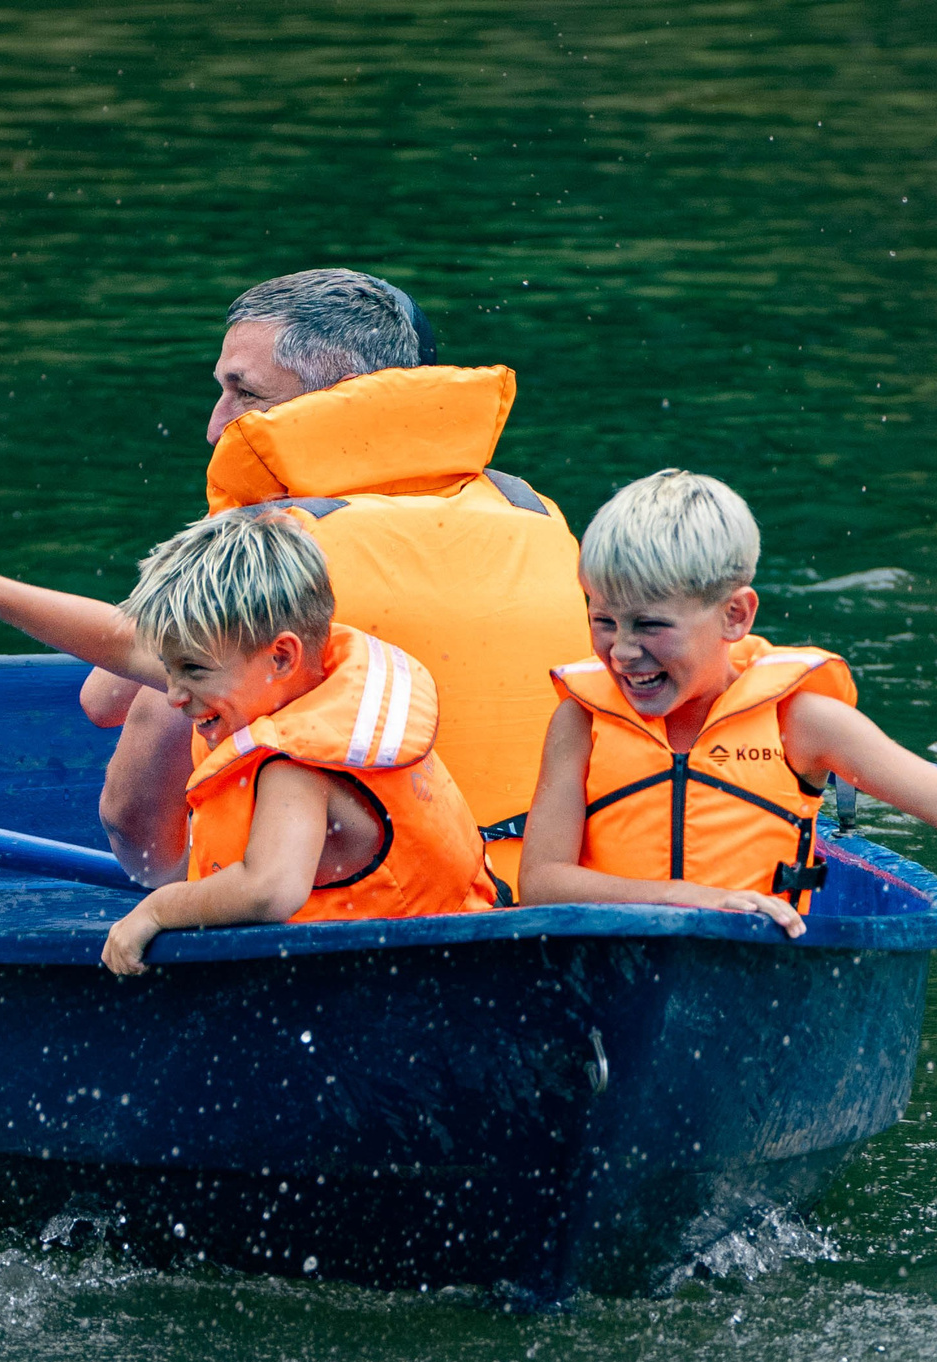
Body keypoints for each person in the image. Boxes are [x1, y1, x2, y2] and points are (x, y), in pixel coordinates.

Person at [517, 469, 937, 976]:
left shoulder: (800, 720)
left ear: (735, 615)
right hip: (603, 977)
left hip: (752, 982)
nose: (622, 650)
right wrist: (697, 902)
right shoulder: (582, 722)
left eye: (650, 626)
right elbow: (541, 882)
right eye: (602, 620)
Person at [85, 268, 590, 897]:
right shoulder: (532, 510)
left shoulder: (272, 532)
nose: (217, 426)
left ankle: (173, 889)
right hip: (539, 881)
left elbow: (99, 701)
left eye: (244, 393)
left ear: (337, 397)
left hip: (375, 891)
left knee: (168, 690)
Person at [0, 505, 494, 972]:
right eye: (171, 668)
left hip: (401, 973)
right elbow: (122, 643)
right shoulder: (279, 668)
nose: (173, 694)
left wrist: (155, 910)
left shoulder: (298, 764)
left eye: (191, 673)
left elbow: (267, 889)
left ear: (281, 656)